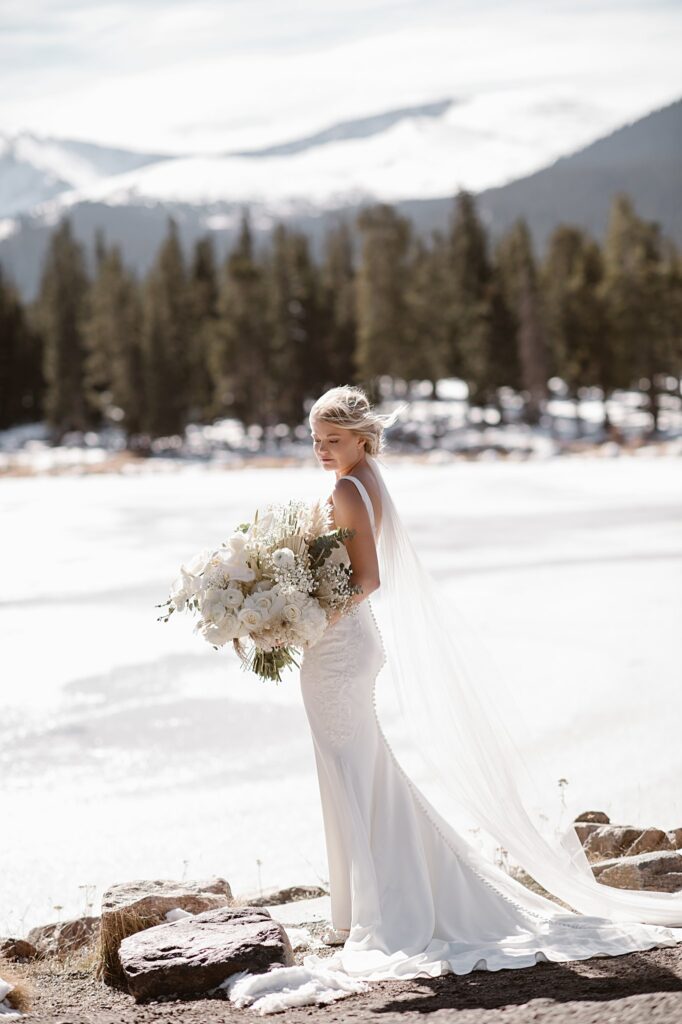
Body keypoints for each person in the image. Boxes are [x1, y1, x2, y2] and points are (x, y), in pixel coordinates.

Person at [228, 385, 682, 1011]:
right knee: (364, 772)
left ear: (361, 437)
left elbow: (366, 579)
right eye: (315, 440)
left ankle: (384, 911)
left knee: (354, 772)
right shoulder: (368, 480)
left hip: (337, 650)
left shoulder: (348, 488)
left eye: (333, 440)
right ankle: (372, 903)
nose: (322, 450)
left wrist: (299, 615)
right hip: (343, 647)